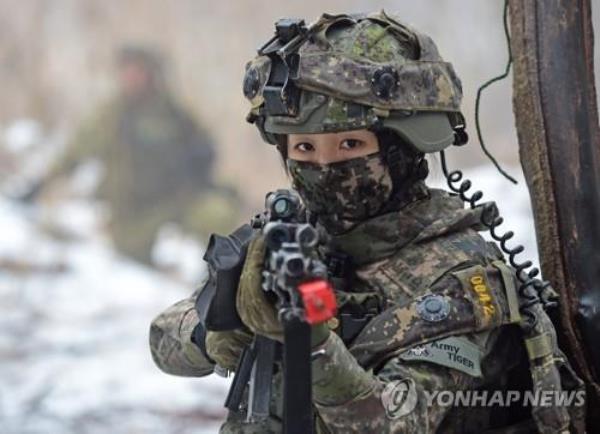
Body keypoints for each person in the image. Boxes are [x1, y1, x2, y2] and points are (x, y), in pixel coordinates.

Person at [149, 12, 585, 433]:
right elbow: (163, 342)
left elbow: (394, 420)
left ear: (403, 147)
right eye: (303, 149)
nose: (324, 165)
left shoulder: (459, 279)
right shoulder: (294, 240)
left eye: (350, 143)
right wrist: (216, 331)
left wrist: (314, 344)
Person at [46, 46, 239, 264]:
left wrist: (197, 167)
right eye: (127, 71)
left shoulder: (173, 113)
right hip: (133, 211)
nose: (131, 78)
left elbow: (206, 148)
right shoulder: (111, 116)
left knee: (221, 214)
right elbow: (74, 154)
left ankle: (218, 276)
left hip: (176, 201)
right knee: (131, 261)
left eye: (138, 71)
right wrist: (39, 184)